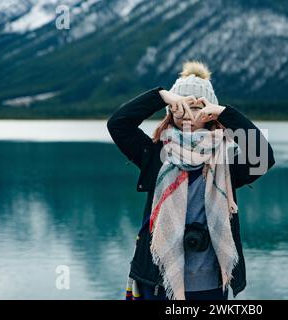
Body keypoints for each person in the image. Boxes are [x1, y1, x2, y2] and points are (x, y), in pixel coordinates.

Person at [107, 60, 275, 300]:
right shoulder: (155, 155)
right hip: (158, 282)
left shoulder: (224, 163)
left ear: (209, 113)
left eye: (196, 107)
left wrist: (226, 113)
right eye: (180, 105)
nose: (186, 113)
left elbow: (263, 157)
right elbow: (118, 124)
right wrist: (161, 96)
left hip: (210, 285)